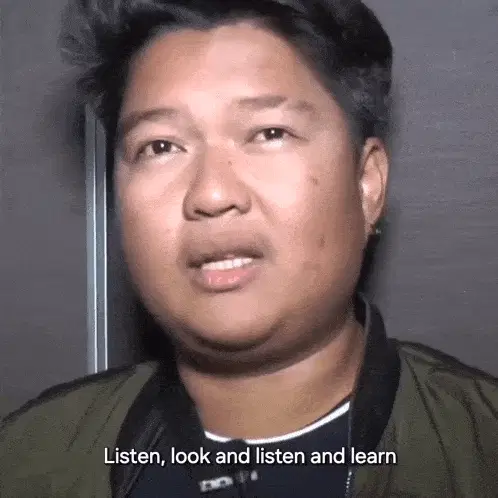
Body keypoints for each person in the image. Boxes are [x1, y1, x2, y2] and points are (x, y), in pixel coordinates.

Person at [1, 0, 497, 496]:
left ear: (367, 184)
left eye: (269, 133)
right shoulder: (29, 460)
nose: (212, 194)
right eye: (160, 146)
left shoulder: (479, 449)